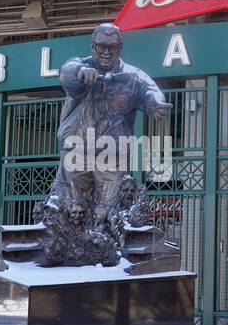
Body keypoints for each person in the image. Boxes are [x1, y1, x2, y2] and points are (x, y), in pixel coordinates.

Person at [49, 23, 170, 229]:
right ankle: (66, 245)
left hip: (112, 154)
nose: (106, 52)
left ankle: (105, 248)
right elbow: (67, 73)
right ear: (92, 46)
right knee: (70, 204)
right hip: (77, 149)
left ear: (120, 48)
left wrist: (155, 103)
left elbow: (151, 90)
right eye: (101, 46)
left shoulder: (133, 76)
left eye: (112, 47)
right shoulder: (79, 65)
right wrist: (81, 72)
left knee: (109, 207)